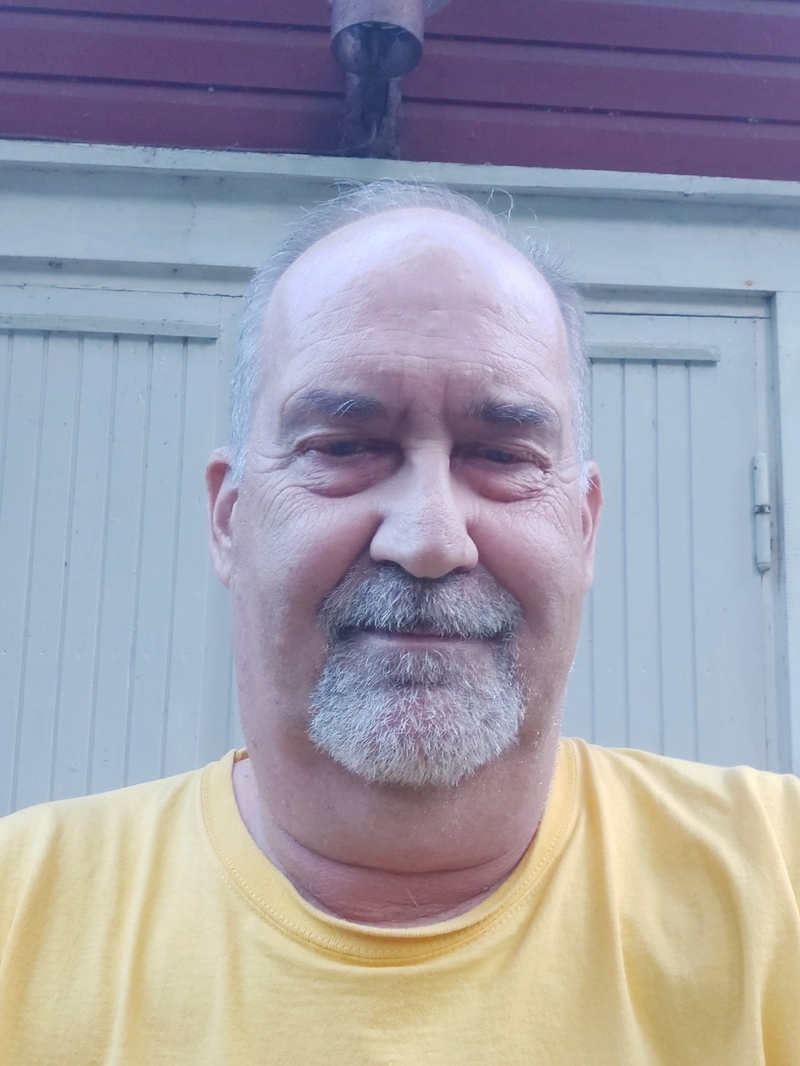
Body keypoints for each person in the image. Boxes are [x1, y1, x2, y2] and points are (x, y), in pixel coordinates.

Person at [1, 181, 799, 1064]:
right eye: (343, 447)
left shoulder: (781, 881)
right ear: (229, 521)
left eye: (501, 455)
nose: (428, 540)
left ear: (583, 528)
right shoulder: (18, 921)